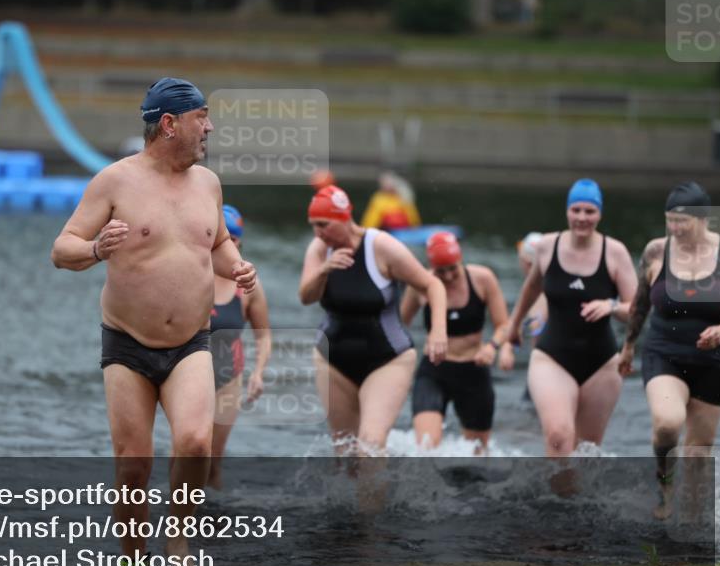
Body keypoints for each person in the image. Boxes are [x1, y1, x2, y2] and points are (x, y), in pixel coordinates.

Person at [50, 77, 256, 566]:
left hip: (190, 341)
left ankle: (180, 535)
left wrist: (237, 266)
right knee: (134, 464)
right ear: (170, 124)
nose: (208, 127)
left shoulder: (208, 184)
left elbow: (219, 243)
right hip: (126, 344)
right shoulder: (114, 182)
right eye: (201, 117)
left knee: (194, 443)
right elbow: (62, 248)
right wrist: (97, 247)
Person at [299, 185, 447, 455]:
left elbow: (432, 285)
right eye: (313, 226)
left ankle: (378, 498)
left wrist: (438, 331)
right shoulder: (320, 249)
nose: (318, 233)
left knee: (369, 446)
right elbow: (306, 296)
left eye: (323, 224)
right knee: (345, 454)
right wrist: (324, 271)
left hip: (387, 359)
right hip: (333, 360)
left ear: (344, 218)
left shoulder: (382, 246)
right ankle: (351, 499)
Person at [619, 182, 720, 519]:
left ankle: (690, 527)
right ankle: (665, 483)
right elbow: (640, 303)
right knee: (668, 423)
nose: (674, 228)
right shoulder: (656, 251)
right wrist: (627, 347)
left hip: (714, 359)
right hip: (664, 352)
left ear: (704, 219)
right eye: (670, 220)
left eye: (682, 221)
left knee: (698, 453)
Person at [497, 179, 637, 457]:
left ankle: (574, 499)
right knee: (559, 438)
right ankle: (553, 500)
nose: (582, 218)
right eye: (576, 210)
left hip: (601, 363)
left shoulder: (615, 252)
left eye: (589, 211)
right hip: (552, 357)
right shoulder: (548, 246)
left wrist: (611, 305)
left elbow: (636, 309)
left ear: (599, 214)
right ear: (567, 211)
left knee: (586, 450)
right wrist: (513, 327)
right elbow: (531, 288)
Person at [400, 232, 510, 452]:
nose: (449, 276)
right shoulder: (421, 285)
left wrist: (493, 347)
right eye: (441, 271)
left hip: (474, 369)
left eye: (453, 269)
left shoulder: (482, 279)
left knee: (478, 453)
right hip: (434, 370)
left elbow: (504, 324)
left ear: (461, 260)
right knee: (426, 448)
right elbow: (400, 325)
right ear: (432, 268)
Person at [208, 204, 272, 489]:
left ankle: (215, 523)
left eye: (233, 240)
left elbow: (264, 336)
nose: (228, 246)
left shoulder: (249, 287)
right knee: (188, 452)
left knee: (212, 463)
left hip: (227, 379)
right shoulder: (192, 276)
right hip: (186, 375)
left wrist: (258, 373)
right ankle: (179, 522)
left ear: (240, 241)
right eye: (224, 239)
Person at [499, 232, 548, 401]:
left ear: (527, 263)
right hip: (546, 368)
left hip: (547, 371)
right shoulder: (551, 288)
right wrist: (507, 348)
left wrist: (507, 349)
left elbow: (528, 324)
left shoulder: (542, 294)